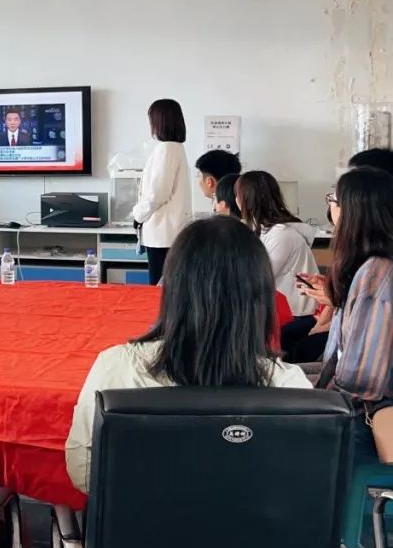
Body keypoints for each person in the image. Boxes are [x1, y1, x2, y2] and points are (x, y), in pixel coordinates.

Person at [65, 216, 311, 493]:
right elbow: (305, 482)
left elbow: (82, 469)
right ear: (261, 296)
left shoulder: (116, 367)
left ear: (172, 288)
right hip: (255, 520)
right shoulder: (291, 386)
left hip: (143, 518)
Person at [302, 167, 393, 466]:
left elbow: (362, 381)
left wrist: (304, 392)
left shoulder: (376, 274)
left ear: (351, 210)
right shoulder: (369, 269)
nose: (330, 206)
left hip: (361, 421)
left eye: (333, 198)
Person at [235, 170, 318, 316]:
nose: (236, 199)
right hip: (282, 312)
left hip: (297, 315)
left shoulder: (281, 235)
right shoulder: (264, 231)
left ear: (247, 199)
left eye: (237, 194)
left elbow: (257, 279)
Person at [131, 99, 192, 286]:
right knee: (167, 285)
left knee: (158, 287)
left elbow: (158, 193)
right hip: (168, 231)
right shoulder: (175, 148)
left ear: (159, 121)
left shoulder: (167, 149)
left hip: (163, 233)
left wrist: (138, 215)